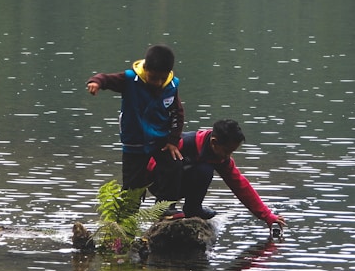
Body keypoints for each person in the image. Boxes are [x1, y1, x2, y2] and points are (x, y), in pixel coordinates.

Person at [86, 44, 184, 211]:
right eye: (154, 78)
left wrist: (173, 140)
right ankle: (127, 219)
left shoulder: (171, 86)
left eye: (163, 78)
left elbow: (177, 113)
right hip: (135, 142)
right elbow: (106, 79)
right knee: (132, 184)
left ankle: (166, 208)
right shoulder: (130, 79)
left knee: (173, 166)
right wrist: (96, 82)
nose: (158, 83)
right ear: (145, 69)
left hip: (161, 140)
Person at [150, 119, 286, 229]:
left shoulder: (221, 159)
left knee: (204, 170)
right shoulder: (183, 143)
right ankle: (166, 209)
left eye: (232, 152)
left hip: (178, 182)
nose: (228, 156)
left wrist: (267, 216)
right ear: (214, 142)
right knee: (184, 166)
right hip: (159, 182)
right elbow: (151, 162)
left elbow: (241, 186)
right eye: (226, 151)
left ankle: (193, 209)